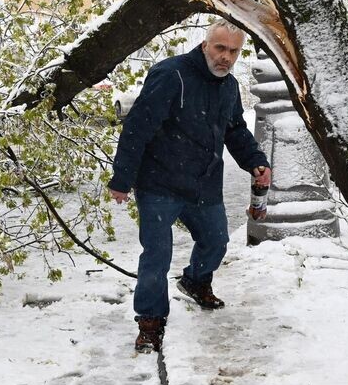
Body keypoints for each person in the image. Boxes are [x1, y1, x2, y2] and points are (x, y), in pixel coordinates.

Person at [108, 19, 271, 354]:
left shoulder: (229, 86)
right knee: (157, 256)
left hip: (203, 183)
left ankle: (195, 281)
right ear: (205, 45)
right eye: (220, 48)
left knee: (216, 241)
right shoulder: (172, 75)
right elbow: (138, 127)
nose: (226, 57)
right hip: (159, 183)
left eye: (233, 51)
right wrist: (122, 178)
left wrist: (255, 160)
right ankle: (150, 321)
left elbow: (235, 130)